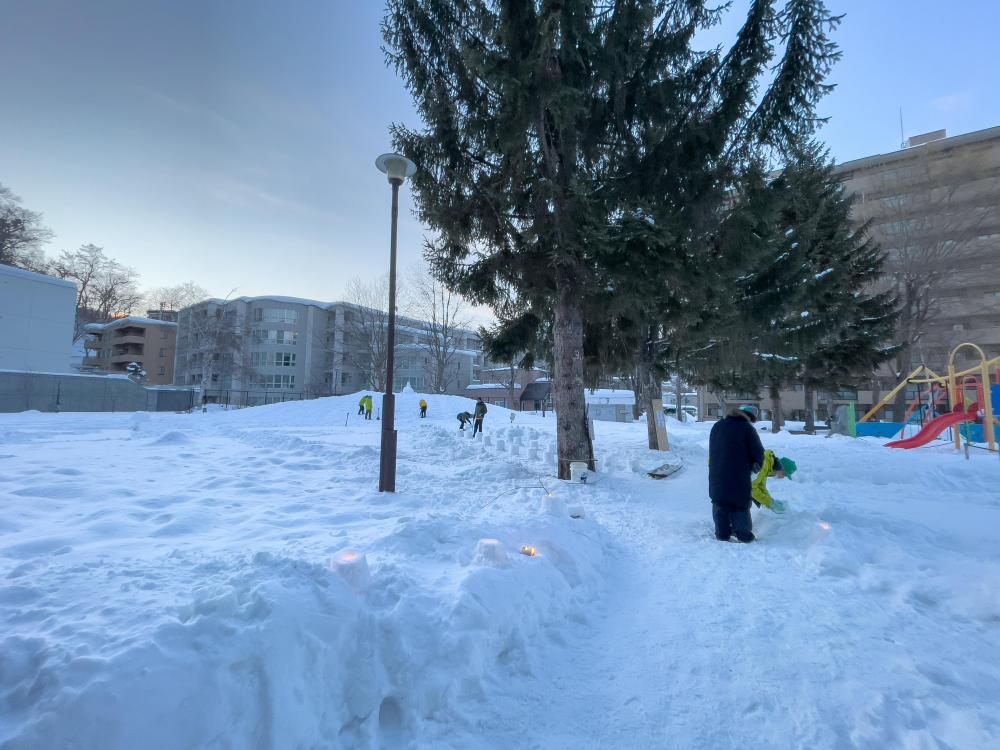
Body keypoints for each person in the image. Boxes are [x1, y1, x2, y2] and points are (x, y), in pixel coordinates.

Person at [709, 405, 765, 543]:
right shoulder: (747, 429)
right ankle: (744, 535)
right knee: (739, 505)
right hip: (738, 475)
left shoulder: (717, 426)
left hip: (717, 475)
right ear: (749, 417)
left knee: (720, 503)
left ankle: (722, 534)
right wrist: (755, 465)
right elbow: (758, 454)